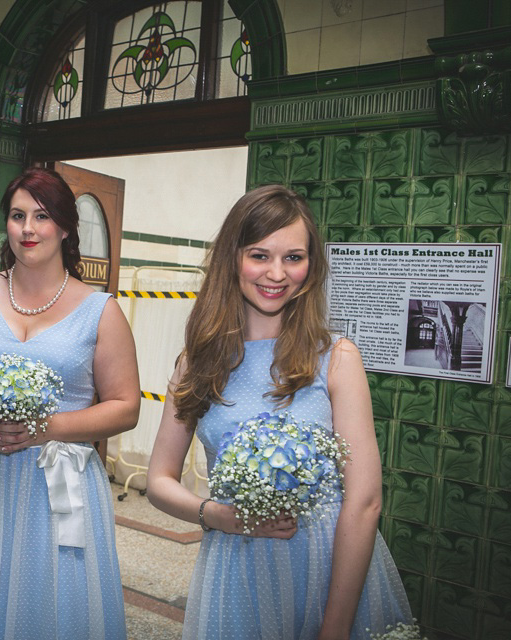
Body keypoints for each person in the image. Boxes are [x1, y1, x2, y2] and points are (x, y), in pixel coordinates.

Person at [146, 185, 413, 639]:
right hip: (237, 570)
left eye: (293, 257)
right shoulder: (198, 362)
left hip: (327, 569)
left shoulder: (337, 359)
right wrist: (219, 515)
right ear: (233, 258)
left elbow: (365, 502)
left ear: (310, 268)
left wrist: (335, 627)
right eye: (260, 255)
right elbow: (158, 482)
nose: (277, 273)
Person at [0, 167, 140, 639]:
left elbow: (125, 406)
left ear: (65, 226)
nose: (29, 228)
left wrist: (47, 428)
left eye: (42, 215)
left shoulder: (102, 310)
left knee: (49, 608)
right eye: (18, 216)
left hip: (60, 482)